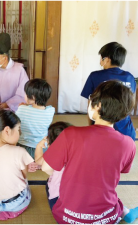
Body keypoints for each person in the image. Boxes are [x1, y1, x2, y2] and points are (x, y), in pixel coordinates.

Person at [40, 80, 138, 224]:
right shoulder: (129, 143)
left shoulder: (70, 134)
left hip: (67, 218)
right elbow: (119, 171)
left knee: (49, 185)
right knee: (109, 191)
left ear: (98, 105)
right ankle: (127, 213)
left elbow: (46, 168)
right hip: (106, 219)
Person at [81, 42, 136, 141]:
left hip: (101, 132)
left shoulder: (95, 76)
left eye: (101, 58)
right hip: (127, 132)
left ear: (106, 59)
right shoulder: (130, 77)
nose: (100, 62)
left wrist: (91, 127)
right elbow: (130, 103)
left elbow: (90, 106)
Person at [0, 33, 29, 114]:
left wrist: (7, 104)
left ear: (5, 58)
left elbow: (22, 94)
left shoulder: (19, 70)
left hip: (12, 109)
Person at [34, 122, 72, 210]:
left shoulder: (53, 155)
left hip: (59, 201)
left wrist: (39, 146)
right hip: (77, 197)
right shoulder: (79, 151)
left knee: (49, 182)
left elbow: (39, 161)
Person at [16, 79, 55, 158]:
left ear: (33, 97)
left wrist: (21, 107)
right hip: (41, 150)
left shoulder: (22, 109)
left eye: (26, 94)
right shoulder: (50, 111)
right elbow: (39, 110)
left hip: (22, 149)